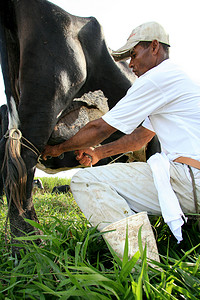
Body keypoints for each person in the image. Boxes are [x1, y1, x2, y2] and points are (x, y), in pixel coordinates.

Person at [42, 21, 200, 261]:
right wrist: (98, 153)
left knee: (85, 181)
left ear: (155, 47)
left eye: (134, 55)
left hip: (191, 180)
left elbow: (100, 127)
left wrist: (57, 148)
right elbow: (140, 138)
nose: (131, 64)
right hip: (193, 179)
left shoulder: (157, 79)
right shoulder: (174, 78)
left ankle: (143, 266)